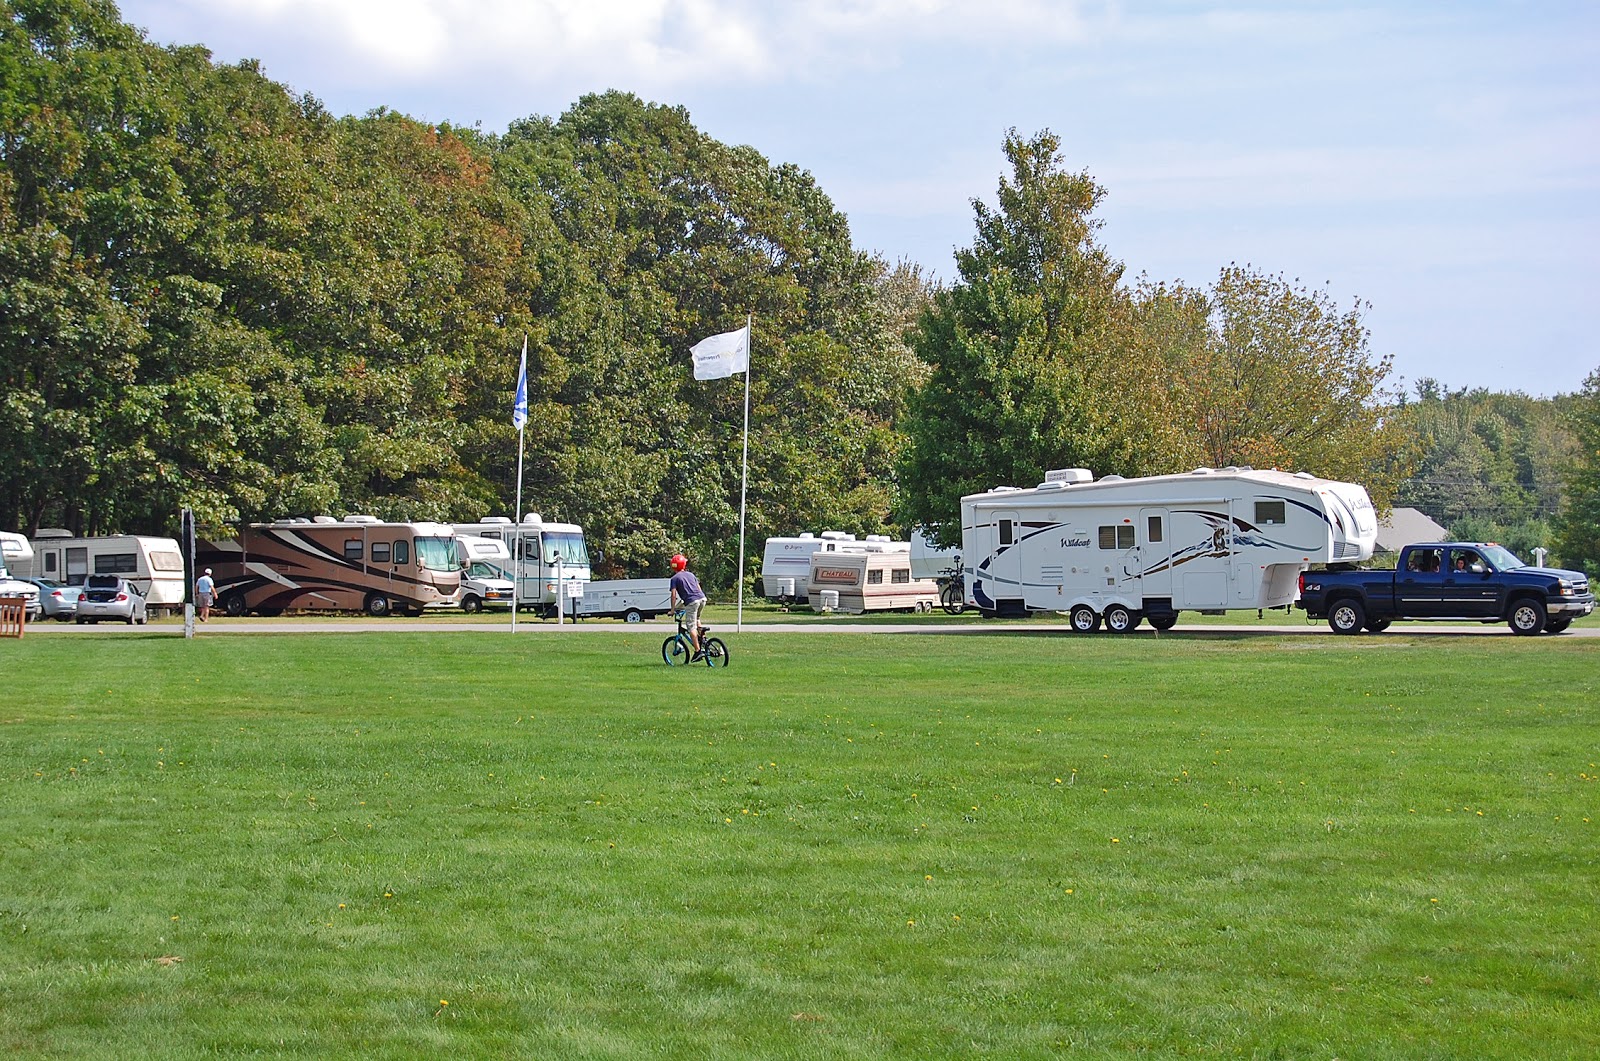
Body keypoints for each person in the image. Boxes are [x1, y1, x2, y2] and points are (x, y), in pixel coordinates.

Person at [668, 553, 707, 658]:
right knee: (697, 618)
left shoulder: (674, 579)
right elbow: (698, 588)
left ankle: (698, 651)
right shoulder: (691, 574)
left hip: (691, 601)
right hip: (702, 598)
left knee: (691, 627)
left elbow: (673, 595)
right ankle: (703, 639)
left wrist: (672, 610)